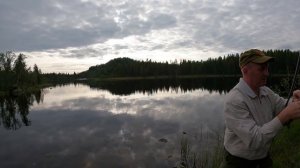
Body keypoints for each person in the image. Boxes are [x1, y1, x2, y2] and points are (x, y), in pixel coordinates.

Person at [221, 49, 300, 168]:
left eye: (267, 68)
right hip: (237, 163)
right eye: (262, 69)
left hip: (263, 160)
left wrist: (294, 100)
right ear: (245, 70)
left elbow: (283, 106)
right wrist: (286, 115)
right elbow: (255, 140)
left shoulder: (265, 91)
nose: (267, 73)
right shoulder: (234, 100)